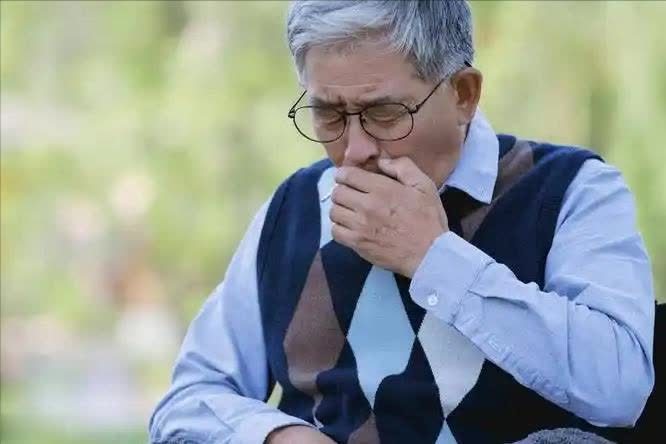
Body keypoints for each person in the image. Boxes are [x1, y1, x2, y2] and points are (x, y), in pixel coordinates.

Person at [148, 1, 655, 443]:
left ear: (464, 94)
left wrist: (435, 258)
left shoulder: (573, 190)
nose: (355, 150)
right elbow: (187, 401)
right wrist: (276, 435)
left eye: (384, 113)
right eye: (328, 114)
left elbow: (620, 388)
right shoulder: (294, 207)